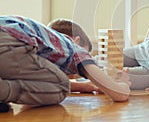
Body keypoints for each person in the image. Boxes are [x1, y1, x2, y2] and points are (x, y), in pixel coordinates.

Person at [0, 16, 131, 112]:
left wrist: (86, 86)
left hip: (7, 40)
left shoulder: (44, 40)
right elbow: (119, 94)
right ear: (77, 41)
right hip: (9, 43)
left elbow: (42, 82)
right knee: (62, 86)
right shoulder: (74, 47)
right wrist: (123, 83)